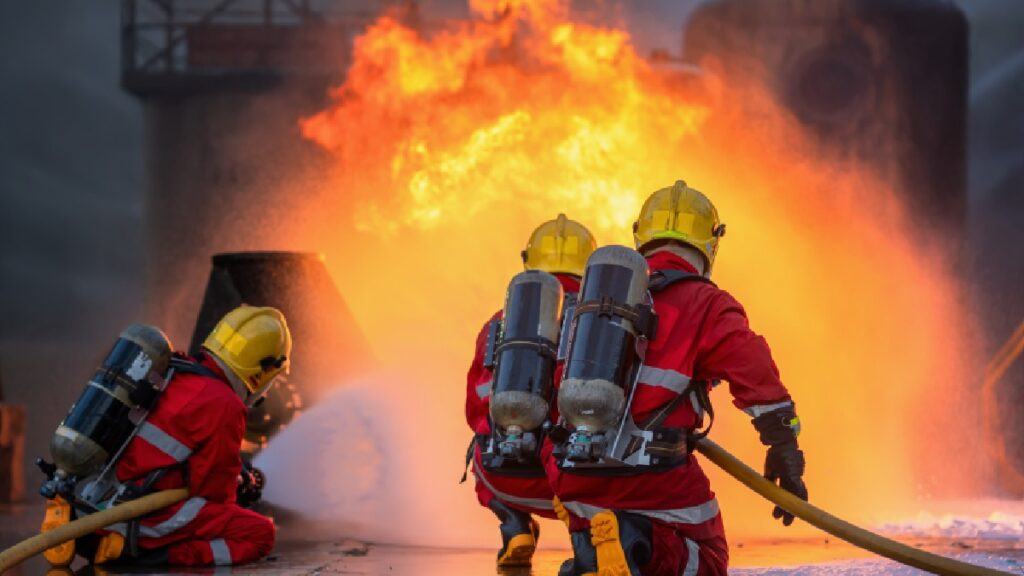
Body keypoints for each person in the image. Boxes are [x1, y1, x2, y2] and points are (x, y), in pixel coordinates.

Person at [545, 181, 808, 575]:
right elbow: (756, 374)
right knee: (708, 557)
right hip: (651, 481)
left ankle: (592, 558)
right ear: (710, 243)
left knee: (603, 539)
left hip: (573, 476)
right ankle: (637, 541)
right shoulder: (706, 302)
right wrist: (784, 447)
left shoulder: (592, 302)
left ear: (641, 236)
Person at [84, 306, 290, 567]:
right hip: (141, 516)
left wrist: (235, 472)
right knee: (260, 533)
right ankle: (154, 555)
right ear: (262, 369)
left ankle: (136, 544)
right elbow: (213, 493)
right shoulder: (226, 404)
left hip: (103, 500)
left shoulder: (182, 369)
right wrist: (239, 488)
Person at [465, 214, 597, 568]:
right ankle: (586, 541)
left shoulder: (499, 322)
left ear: (528, 262)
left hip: (509, 480)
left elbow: (475, 408)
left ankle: (514, 524)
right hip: (582, 483)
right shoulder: (599, 320)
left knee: (479, 446)